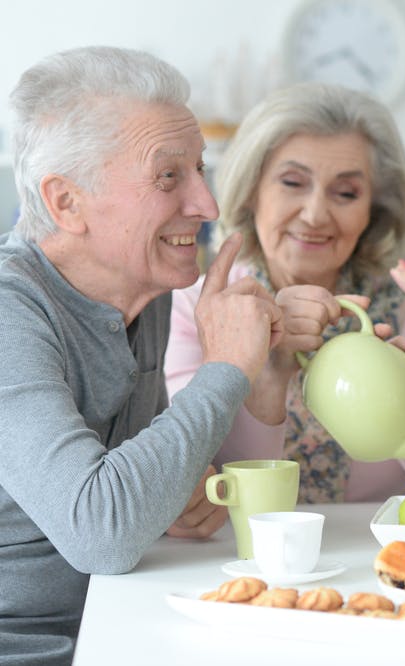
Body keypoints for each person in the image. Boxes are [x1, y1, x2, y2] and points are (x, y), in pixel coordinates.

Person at [0, 46, 283, 664]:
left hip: (118, 626)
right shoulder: (8, 313)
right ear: (65, 202)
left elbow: (131, 503)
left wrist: (166, 495)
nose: (207, 205)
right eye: (168, 176)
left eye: (200, 169)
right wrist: (226, 367)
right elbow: (103, 533)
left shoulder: (141, 287)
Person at [165, 83, 405, 503]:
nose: (314, 215)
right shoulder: (193, 306)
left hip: (379, 549)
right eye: (293, 183)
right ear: (253, 190)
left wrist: (402, 409)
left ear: (374, 210)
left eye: (346, 193)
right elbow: (199, 478)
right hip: (237, 552)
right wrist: (270, 372)